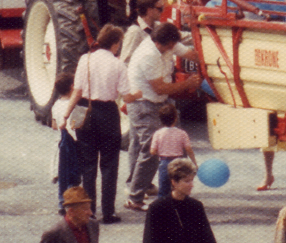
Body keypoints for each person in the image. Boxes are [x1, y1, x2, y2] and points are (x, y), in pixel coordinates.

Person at [125, 22, 200, 212]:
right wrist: (189, 83)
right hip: (144, 104)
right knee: (151, 151)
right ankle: (135, 197)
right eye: (167, 46)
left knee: (139, 146)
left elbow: (192, 54)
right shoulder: (148, 55)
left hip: (156, 102)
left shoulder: (168, 44)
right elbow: (160, 88)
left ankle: (146, 189)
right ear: (164, 43)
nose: (169, 49)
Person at [64, 24, 131, 223]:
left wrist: (66, 114)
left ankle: (89, 210)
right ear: (115, 43)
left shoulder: (86, 59)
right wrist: (138, 94)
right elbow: (126, 95)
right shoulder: (118, 64)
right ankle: (108, 211)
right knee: (110, 164)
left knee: (88, 164)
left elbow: (77, 90)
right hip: (108, 113)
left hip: (85, 110)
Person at [149, 101, 197, 198]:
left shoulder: (158, 133)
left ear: (161, 119)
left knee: (163, 189)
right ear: (175, 118)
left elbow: (152, 151)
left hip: (164, 162)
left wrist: (161, 152)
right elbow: (189, 149)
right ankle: (182, 207)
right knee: (180, 188)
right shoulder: (182, 133)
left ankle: (162, 209)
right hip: (178, 162)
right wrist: (194, 163)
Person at [51, 71, 82, 216]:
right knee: (74, 174)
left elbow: (54, 125)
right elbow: (76, 123)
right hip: (73, 141)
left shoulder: (56, 105)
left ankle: (61, 202)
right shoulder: (72, 106)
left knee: (62, 174)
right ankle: (72, 202)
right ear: (71, 86)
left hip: (60, 142)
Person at [120, 0, 165, 66]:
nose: (162, 11)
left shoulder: (158, 26)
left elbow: (179, 36)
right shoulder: (135, 32)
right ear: (149, 10)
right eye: (160, 9)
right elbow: (125, 63)